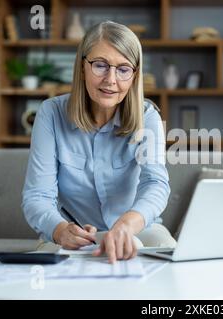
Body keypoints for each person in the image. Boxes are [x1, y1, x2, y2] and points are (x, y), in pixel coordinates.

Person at [22, 21, 176, 264]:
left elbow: (156, 184)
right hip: (72, 235)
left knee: (171, 260)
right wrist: (60, 230)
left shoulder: (147, 116)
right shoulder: (50, 113)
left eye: (123, 69)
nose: (111, 80)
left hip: (137, 229)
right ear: (82, 66)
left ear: (134, 75)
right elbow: (37, 195)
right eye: (100, 65)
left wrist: (126, 224)